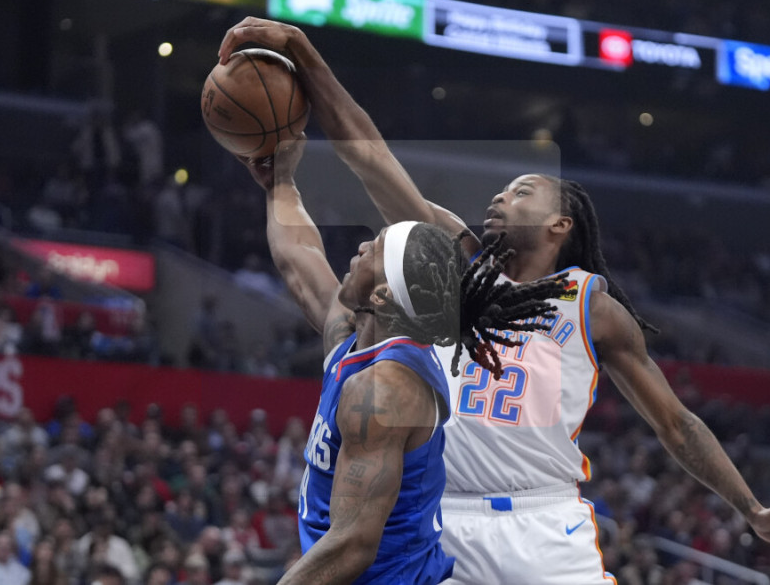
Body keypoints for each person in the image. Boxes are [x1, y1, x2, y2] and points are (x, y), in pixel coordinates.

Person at [218, 18, 770, 584]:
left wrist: (751, 508)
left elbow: (676, 424)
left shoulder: (590, 307)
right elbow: (368, 157)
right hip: (444, 525)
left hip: (545, 522)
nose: (499, 198)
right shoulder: (451, 268)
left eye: (521, 190)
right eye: (502, 191)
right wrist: (305, 55)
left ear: (561, 225)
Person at [232, 129, 564, 585]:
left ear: (384, 295)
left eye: (375, 248)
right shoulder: (354, 339)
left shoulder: (387, 389)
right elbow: (299, 259)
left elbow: (353, 544)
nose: (361, 247)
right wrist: (280, 184)